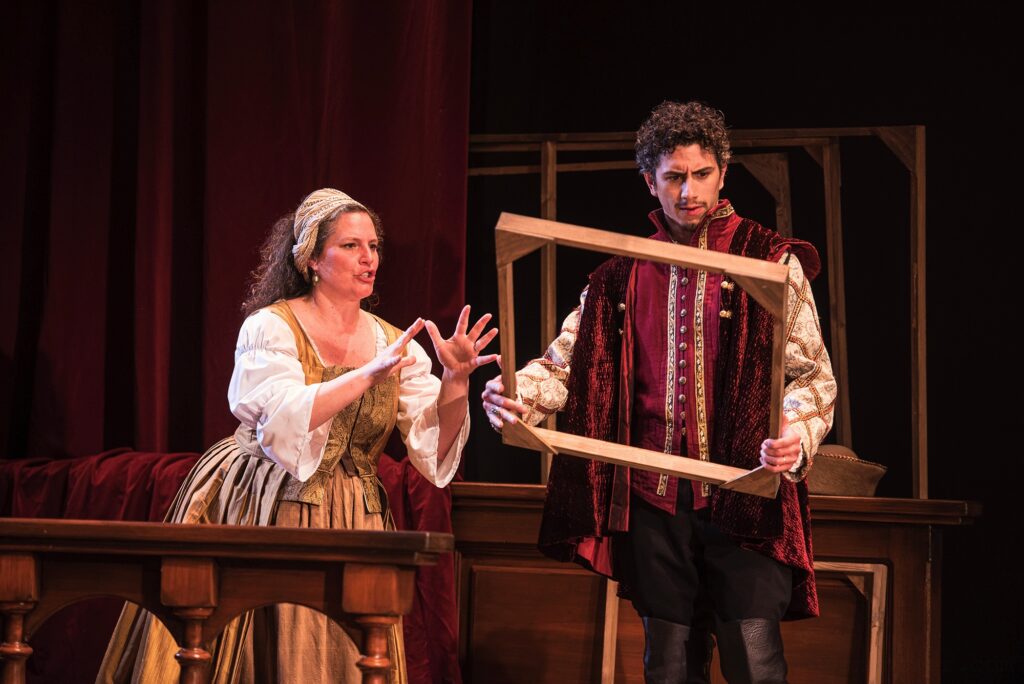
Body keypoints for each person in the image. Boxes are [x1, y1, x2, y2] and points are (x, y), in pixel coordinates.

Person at [482, 102, 836, 683]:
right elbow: (566, 366)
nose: (688, 190)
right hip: (656, 500)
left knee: (756, 663)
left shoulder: (769, 259)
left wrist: (794, 432)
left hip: (745, 494)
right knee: (668, 666)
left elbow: (811, 375)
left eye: (701, 174)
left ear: (723, 172)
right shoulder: (622, 273)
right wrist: (517, 395)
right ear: (650, 179)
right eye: (674, 176)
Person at [98, 188, 497, 683]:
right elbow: (282, 417)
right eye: (350, 246)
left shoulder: (395, 344)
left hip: (355, 512)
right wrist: (366, 375)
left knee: (349, 652)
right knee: (262, 646)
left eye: (373, 245)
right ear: (311, 257)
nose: (368, 257)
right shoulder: (272, 327)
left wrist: (456, 381)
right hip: (267, 497)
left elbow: (435, 450)